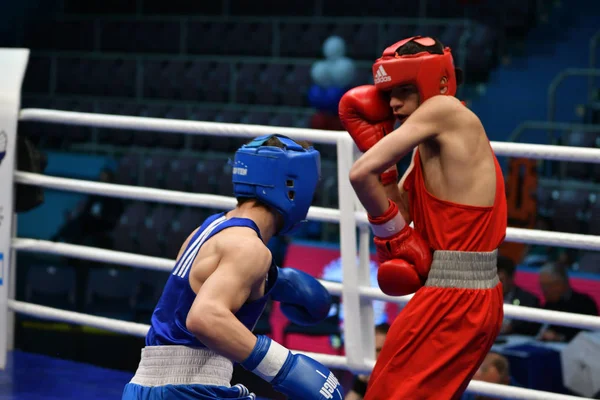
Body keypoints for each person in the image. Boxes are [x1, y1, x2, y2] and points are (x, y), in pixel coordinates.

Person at [338, 36, 507, 399]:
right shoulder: (428, 146)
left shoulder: (443, 108)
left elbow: (358, 175)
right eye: (388, 94)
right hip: (459, 295)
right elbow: (399, 206)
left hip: (457, 297)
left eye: (403, 90)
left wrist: (396, 237)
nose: (393, 103)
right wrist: (382, 160)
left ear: (437, 83)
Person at [122, 134, 344, 400]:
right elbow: (204, 318)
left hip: (146, 385)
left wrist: (275, 282)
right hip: (189, 390)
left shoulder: (208, 229)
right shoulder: (249, 248)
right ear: (293, 187)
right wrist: (286, 368)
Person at [537, 262, 599, 342]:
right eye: (542, 286)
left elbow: (590, 335)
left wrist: (560, 337)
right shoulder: (549, 304)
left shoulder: (585, 303)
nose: (544, 290)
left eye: (548, 285)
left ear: (561, 283)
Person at [497, 255, 541, 336]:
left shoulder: (529, 300)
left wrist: (512, 328)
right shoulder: (481, 298)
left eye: (501, 280)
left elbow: (531, 328)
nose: (496, 285)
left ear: (512, 278)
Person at [344, 323, 390, 400]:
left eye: (379, 350)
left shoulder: (401, 380)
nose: (374, 355)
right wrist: (360, 384)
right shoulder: (362, 377)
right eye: (371, 350)